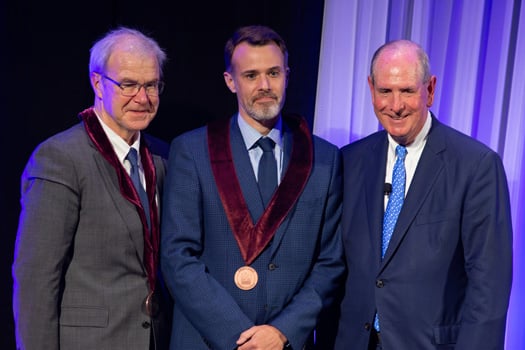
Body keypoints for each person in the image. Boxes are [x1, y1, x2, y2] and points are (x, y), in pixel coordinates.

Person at [160, 25, 345, 350]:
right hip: (208, 341)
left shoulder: (324, 159)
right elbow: (178, 257)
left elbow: (329, 263)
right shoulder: (192, 151)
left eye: (273, 73)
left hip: (285, 343)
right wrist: (240, 336)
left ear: (287, 74)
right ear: (230, 81)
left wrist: (282, 331)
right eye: (251, 75)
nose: (264, 86)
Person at [331, 39, 513, 349]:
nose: (396, 105)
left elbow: (489, 286)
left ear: (429, 89)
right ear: (370, 88)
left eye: (407, 91)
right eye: (385, 91)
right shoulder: (349, 161)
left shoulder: (476, 166)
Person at [12, 27, 172, 349]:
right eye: (128, 84)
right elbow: (36, 281)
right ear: (97, 83)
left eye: (151, 85)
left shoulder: (163, 156)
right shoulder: (61, 158)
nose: (143, 98)